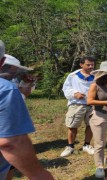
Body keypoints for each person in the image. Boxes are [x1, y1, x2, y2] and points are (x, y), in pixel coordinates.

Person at [0, 40, 54, 179]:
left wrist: (27, 84)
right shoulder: (5, 87)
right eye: (12, 69)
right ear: (2, 63)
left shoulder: (10, 84)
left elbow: (23, 95)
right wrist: (39, 175)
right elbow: (10, 142)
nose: (13, 73)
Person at [60, 56, 96, 157]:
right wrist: (75, 93)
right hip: (77, 104)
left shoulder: (96, 75)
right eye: (88, 64)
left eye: (92, 64)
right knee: (72, 125)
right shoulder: (73, 76)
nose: (90, 66)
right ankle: (70, 146)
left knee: (91, 125)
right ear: (81, 64)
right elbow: (66, 88)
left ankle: (87, 145)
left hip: (92, 104)